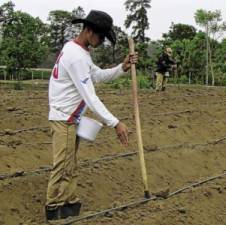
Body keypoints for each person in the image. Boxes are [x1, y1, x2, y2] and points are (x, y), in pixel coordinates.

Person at [46, 10, 138, 221]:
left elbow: (96, 75)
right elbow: (91, 97)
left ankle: (70, 203)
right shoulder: (77, 57)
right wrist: (116, 123)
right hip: (64, 119)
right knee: (62, 165)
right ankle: (54, 209)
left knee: (70, 163)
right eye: (101, 36)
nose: (102, 41)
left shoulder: (77, 50)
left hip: (70, 117)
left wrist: (122, 68)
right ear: (88, 31)